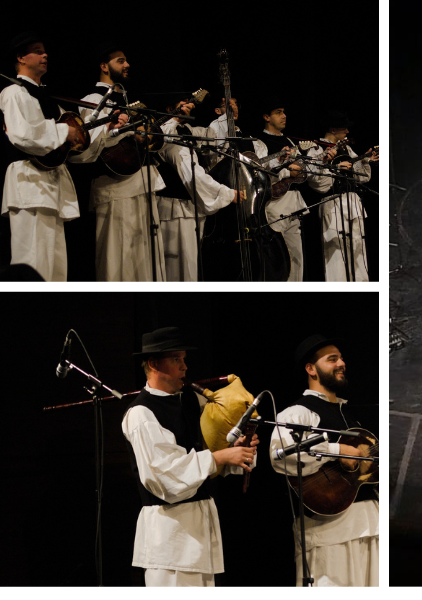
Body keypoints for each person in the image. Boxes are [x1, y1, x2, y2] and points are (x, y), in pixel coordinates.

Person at [121, 327, 258, 586]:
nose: (185, 367)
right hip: (169, 540)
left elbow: (212, 454)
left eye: (184, 359)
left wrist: (237, 449)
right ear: (153, 364)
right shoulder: (141, 413)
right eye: (176, 360)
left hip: (200, 533)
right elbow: (165, 477)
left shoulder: (193, 401)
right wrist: (219, 457)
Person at [0, 33, 118, 281]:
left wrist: (104, 130)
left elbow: (75, 149)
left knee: (56, 269)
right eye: (38, 50)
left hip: (52, 186)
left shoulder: (53, 103)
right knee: (32, 262)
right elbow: (22, 135)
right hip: (29, 186)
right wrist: (65, 131)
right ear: (21, 58)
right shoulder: (14, 92)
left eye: (45, 50)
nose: (45, 55)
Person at [270, 335, 378, 586]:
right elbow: (282, 455)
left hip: (371, 525)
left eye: (341, 358)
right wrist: (338, 449)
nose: (342, 363)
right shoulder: (298, 412)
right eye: (332, 359)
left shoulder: (350, 417)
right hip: (330, 532)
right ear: (311, 369)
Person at [79, 43, 167, 281]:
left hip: (141, 184)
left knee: (145, 261)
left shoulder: (129, 101)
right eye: (121, 61)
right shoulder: (92, 100)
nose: (127, 65)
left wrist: (144, 135)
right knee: (117, 261)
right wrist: (118, 130)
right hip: (114, 188)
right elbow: (89, 145)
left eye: (127, 60)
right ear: (104, 66)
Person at [155, 100, 242, 281]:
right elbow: (193, 174)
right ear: (171, 109)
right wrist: (227, 193)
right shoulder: (169, 138)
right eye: (183, 104)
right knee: (180, 269)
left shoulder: (189, 131)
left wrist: (228, 116)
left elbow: (214, 138)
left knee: (189, 267)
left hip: (188, 208)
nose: (190, 106)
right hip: (176, 210)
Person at [307, 111, 376, 281]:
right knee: (336, 253)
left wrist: (365, 161)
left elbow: (362, 178)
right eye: (344, 128)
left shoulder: (347, 148)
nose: (347, 132)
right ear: (332, 129)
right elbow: (315, 181)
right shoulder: (316, 149)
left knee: (358, 249)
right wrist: (334, 168)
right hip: (333, 203)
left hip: (352, 202)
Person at [252, 97, 308, 281]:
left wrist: (297, 172)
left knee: (297, 256)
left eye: (284, 112)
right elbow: (259, 171)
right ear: (266, 117)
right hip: (274, 204)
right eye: (278, 112)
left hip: (293, 203)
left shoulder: (290, 142)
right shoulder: (258, 141)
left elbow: (301, 172)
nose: (284, 116)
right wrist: (286, 171)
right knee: (279, 257)